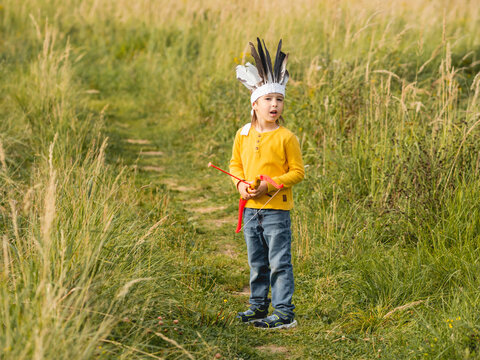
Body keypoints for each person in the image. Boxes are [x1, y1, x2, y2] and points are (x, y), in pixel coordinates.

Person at [229, 38, 304, 329]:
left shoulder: (287, 137)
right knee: (257, 261)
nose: (275, 104)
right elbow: (236, 165)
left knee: (279, 262)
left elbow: (297, 172)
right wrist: (240, 186)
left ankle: (284, 312)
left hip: (276, 211)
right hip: (250, 210)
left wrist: (269, 185)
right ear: (255, 104)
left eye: (279, 99)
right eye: (268, 100)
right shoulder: (243, 134)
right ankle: (258, 307)